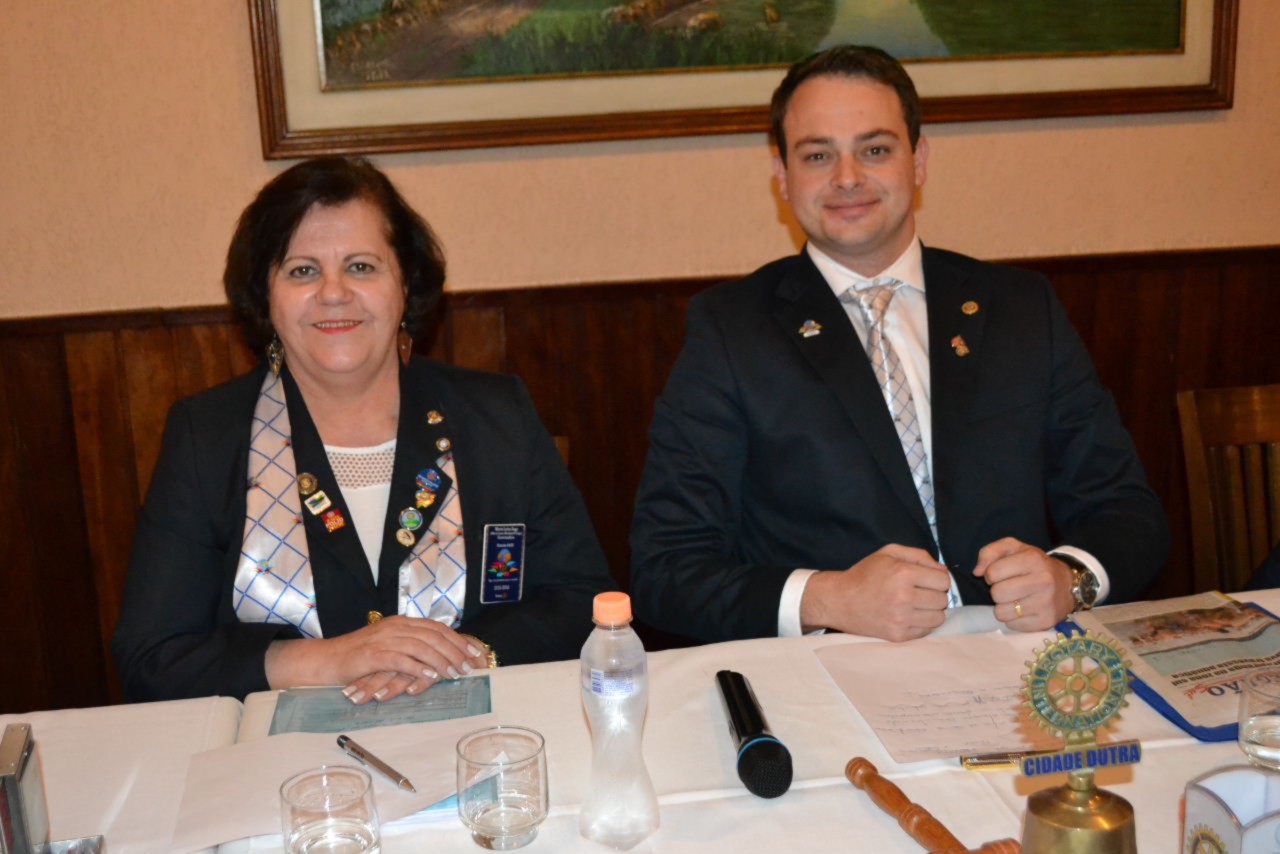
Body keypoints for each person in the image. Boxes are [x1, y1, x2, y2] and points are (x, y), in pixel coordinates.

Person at [630, 45, 1169, 644]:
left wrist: (1071, 579)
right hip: (837, 667)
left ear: (919, 161)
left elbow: (1127, 510)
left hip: (1019, 658)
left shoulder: (1021, 308)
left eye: (875, 150)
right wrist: (829, 598)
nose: (847, 178)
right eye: (818, 155)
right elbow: (666, 567)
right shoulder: (730, 329)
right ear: (782, 176)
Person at [113, 156, 614, 702]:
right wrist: (333, 659)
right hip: (283, 750)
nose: (334, 293)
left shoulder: (496, 416)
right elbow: (152, 657)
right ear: (265, 295)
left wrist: (460, 655)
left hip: (477, 733)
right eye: (302, 270)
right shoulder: (207, 436)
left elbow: (583, 599)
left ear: (405, 285)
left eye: (360, 266)